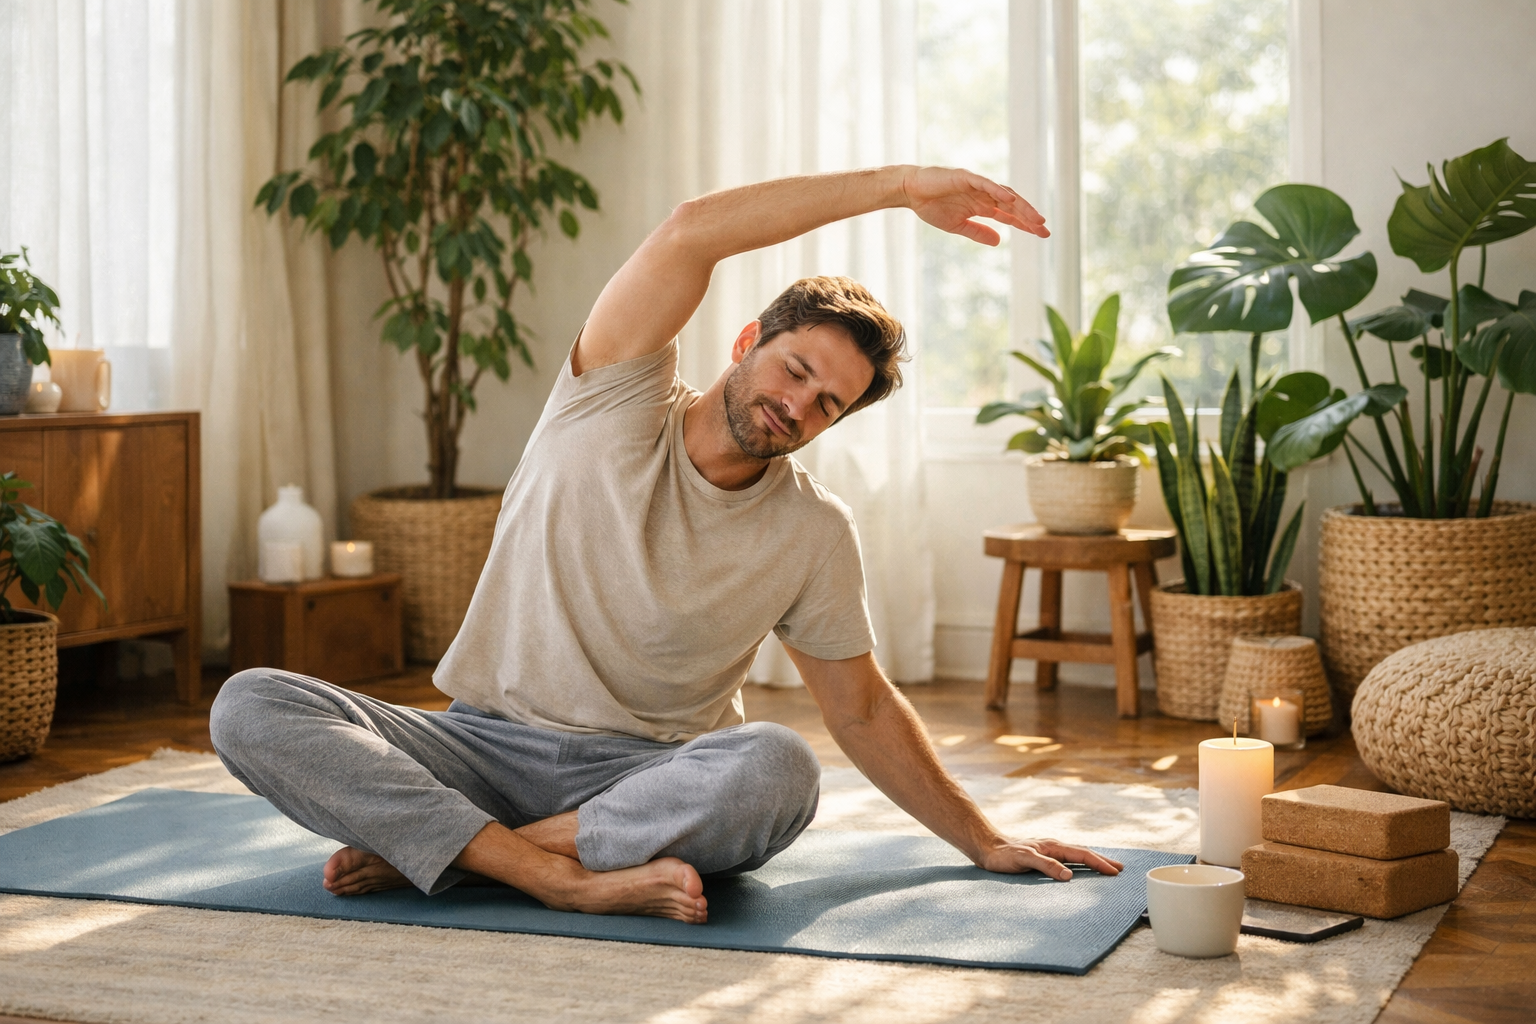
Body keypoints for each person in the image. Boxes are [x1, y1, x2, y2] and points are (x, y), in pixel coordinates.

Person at [210, 165, 1124, 925]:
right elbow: (691, 233)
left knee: (778, 766)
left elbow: (861, 712)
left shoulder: (812, 530)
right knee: (252, 703)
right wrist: (901, 188)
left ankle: (475, 854)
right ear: (747, 338)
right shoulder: (612, 395)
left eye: (827, 404)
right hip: (477, 752)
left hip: (643, 782)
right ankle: (550, 876)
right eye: (795, 369)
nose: (797, 406)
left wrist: (982, 836)